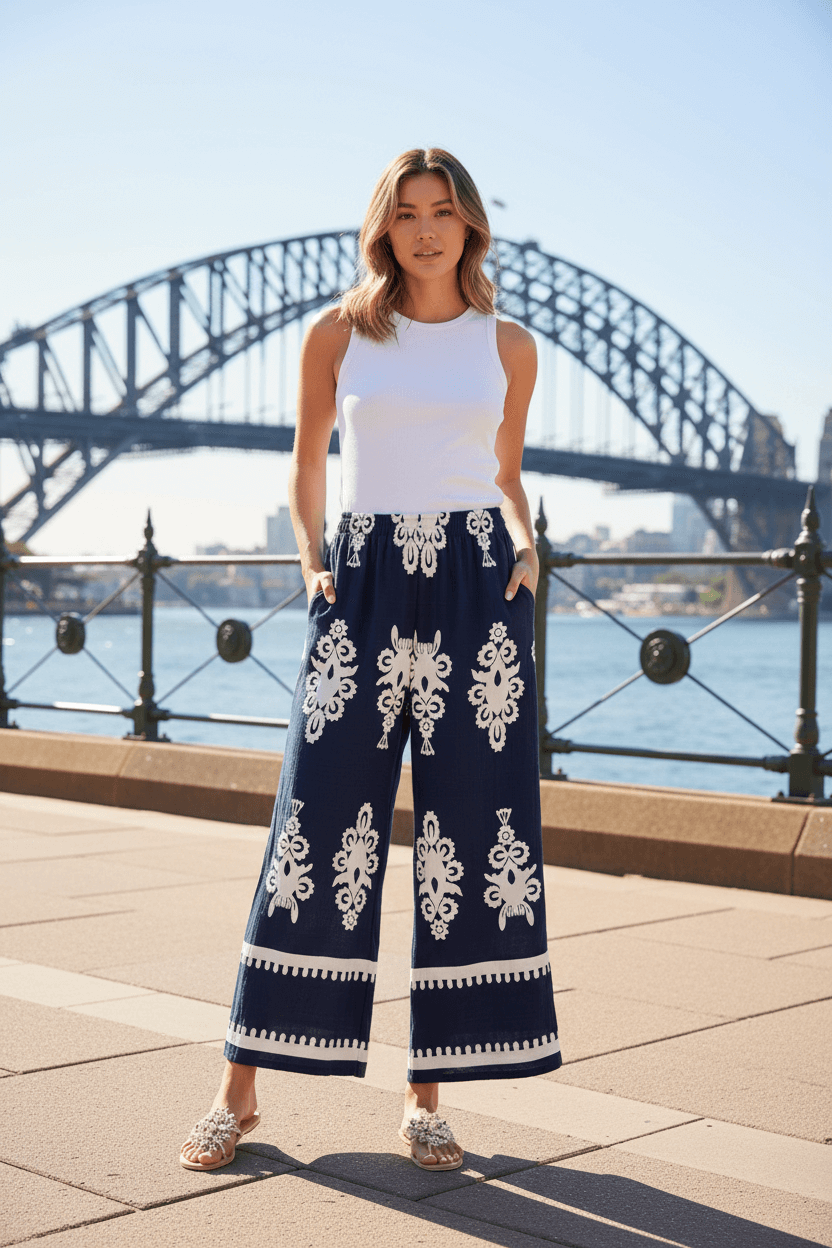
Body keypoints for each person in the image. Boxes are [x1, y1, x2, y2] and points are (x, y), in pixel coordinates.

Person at [180, 148, 562, 1174]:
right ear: (383, 227)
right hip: (362, 581)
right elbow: (308, 466)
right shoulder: (340, 334)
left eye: (443, 212)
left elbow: (507, 473)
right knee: (315, 823)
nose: (426, 230)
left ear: (471, 224)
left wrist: (525, 542)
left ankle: (425, 1099)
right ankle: (239, 1087)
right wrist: (310, 562)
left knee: (468, 835)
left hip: (480, 586)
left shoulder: (510, 345)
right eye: (406, 213)